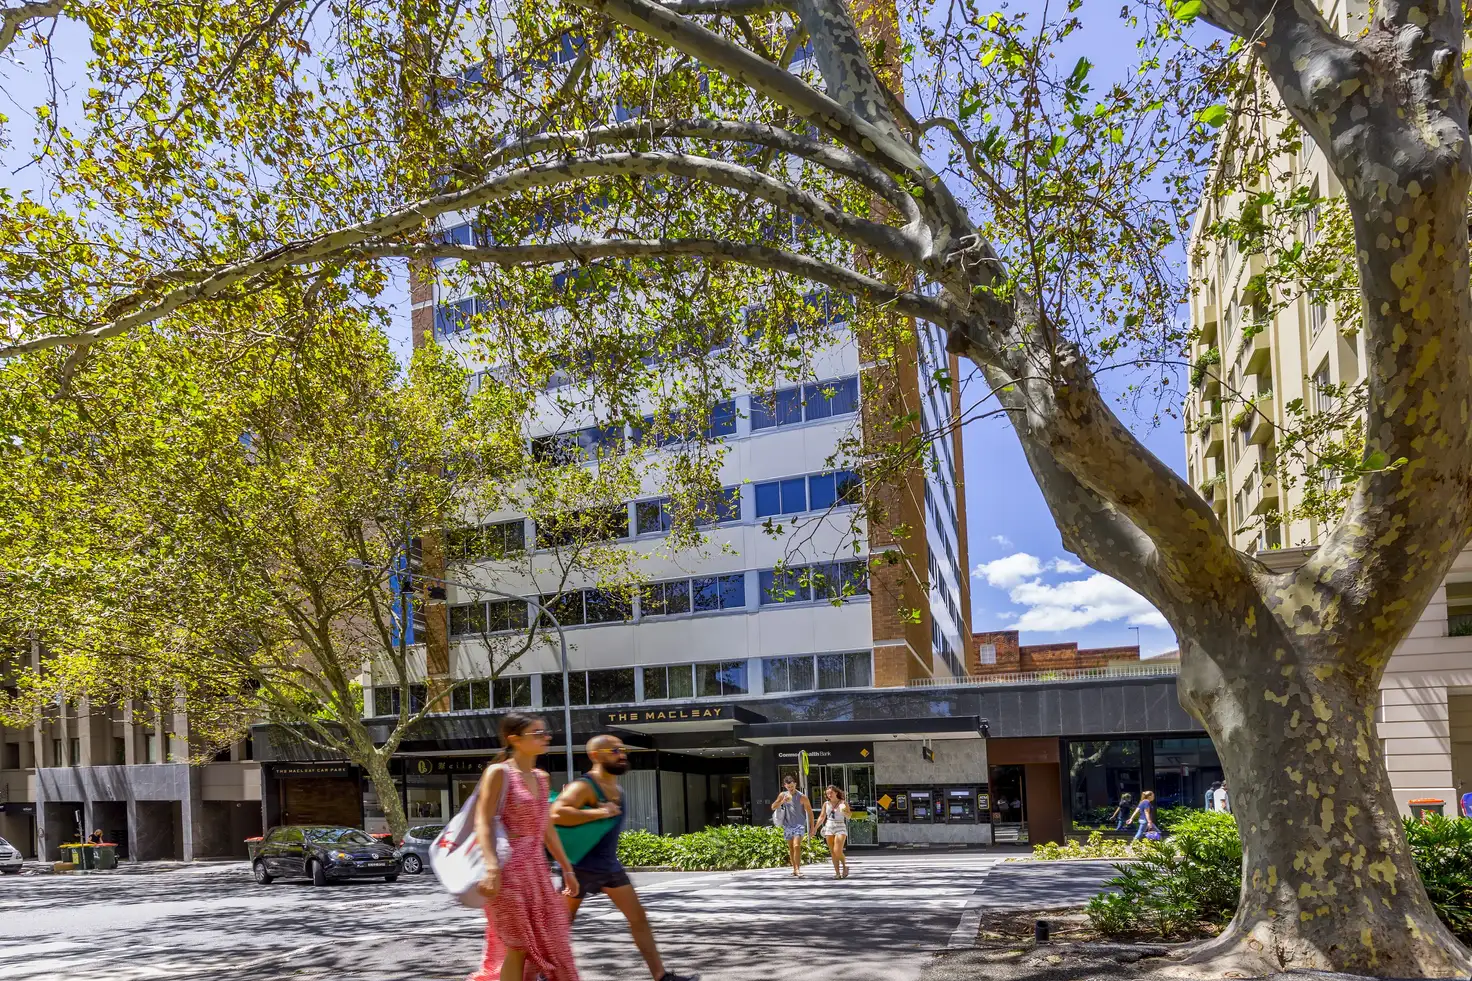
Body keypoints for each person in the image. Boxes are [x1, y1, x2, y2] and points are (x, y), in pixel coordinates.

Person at [551, 734, 691, 981]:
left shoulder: (617, 788)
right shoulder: (584, 786)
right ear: (595, 755)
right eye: (614, 750)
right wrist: (599, 811)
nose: (621, 754)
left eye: (622, 749)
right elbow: (557, 813)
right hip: (578, 865)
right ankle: (546, 973)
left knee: (638, 918)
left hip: (608, 865)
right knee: (561, 924)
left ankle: (661, 976)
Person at [471, 713, 580, 981]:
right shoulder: (499, 773)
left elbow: (546, 828)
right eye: (537, 733)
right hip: (507, 874)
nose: (546, 737)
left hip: (537, 873)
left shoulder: (541, 778)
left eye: (546, 732)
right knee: (518, 946)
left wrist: (567, 869)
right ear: (514, 740)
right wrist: (492, 868)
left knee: (554, 942)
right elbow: (482, 821)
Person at [770, 775, 814, 877]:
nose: (791, 789)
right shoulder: (783, 795)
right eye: (788, 787)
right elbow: (773, 807)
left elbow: (810, 813)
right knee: (791, 848)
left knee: (796, 846)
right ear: (785, 786)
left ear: (795, 784)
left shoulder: (802, 797)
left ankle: (798, 869)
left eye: (792, 786)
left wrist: (812, 828)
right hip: (787, 825)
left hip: (799, 825)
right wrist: (782, 801)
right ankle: (794, 869)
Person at [816, 785, 850, 879]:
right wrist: (815, 828)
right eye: (827, 793)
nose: (829, 795)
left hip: (840, 826)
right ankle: (837, 873)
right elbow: (822, 817)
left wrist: (844, 812)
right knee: (832, 852)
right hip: (829, 827)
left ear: (836, 792)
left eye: (831, 792)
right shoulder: (826, 804)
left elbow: (849, 816)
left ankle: (844, 866)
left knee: (837, 850)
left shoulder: (843, 803)